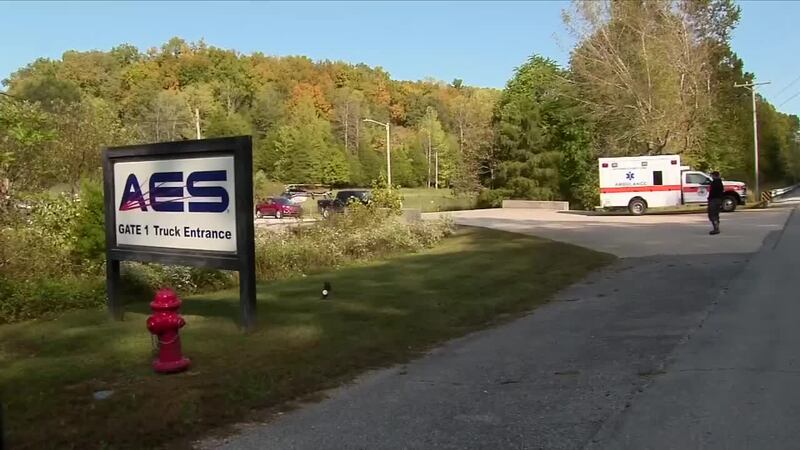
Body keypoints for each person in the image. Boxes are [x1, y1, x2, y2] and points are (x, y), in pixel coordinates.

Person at [707, 171, 724, 235]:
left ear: (714, 175)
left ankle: (716, 229)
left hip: (713, 200)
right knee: (716, 214)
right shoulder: (720, 182)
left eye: (712, 175)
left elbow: (712, 192)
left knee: (712, 214)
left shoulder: (714, 182)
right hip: (719, 200)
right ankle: (717, 227)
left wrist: (709, 198)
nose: (711, 177)